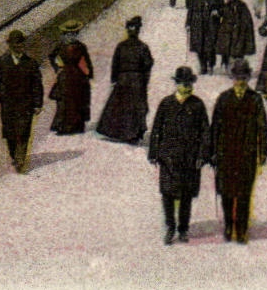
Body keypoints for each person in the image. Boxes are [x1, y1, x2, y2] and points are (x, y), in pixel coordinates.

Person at [210, 58, 267, 244]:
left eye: (244, 77)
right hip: (226, 154)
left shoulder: (255, 99)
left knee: (244, 193)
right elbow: (215, 129)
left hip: (247, 154)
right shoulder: (224, 99)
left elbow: (263, 127)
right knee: (227, 193)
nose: (240, 81)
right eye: (237, 77)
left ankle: (242, 229)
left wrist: (263, 152)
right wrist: (212, 152)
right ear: (232, 78)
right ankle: (229, 225)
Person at [148, 66, 209, 244]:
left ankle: (183, 228)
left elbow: (205, 131)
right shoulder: (166, 104)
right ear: (176, 84)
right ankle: (169, 226)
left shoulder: (197, 105)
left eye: (189, 84)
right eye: (183, 84)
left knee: (186, 195)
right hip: (168, 157)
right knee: (167, 193)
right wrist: (154, 152)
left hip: (190, 158)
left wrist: (202, 155)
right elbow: (156, 129)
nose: (187, 87)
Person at [0, 29, 44, 173]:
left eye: (20, 44)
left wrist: (38, 104)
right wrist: (0, 97)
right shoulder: (3, 63)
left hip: (26, 105)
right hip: (8, 106)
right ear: (10, 46)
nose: (18, 47)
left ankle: (20, 160)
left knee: (24, 132)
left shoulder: (31, 63)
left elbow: (37, 85)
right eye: (15, 45)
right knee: (10, 134)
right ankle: (15, 156)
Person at [97, 16, 154, 144]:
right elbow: (148, 64)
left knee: (122, 106)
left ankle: (121, 132)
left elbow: (115, 64)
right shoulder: (142, 47)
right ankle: (133, 133)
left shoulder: (121, 46)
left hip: (123, 79)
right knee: (134, 106)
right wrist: (144, 79)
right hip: (136, 80)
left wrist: (114, 79)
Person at [47, 19, 94, 135]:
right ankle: (63, 126)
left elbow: (87, 60)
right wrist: (57, 67)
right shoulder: (60, 46)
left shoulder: (81, 46)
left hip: (77, 75)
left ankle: (77, 125)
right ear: (65, 34)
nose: (72, 35)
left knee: (78, 99)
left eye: (74, 33)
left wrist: (89, 74)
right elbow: (51, 56)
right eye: (69, 33)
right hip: (66, 74)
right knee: (65, 100)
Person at [188, 0, 224, 75]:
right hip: (198, 25)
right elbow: (191, 10)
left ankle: (211, 65)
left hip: (212, 25)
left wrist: (218, 12)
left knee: (211, 46)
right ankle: (203, 66)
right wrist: (188, 24)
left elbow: (223, 9)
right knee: (199, 46)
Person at [216, 0, 256, 64]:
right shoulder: (227, 5)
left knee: (238, 51)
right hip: (227, 33)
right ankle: (228, 65)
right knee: (227, 50)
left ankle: (237, 67)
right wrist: (217, 13)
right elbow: (222, 12)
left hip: (238, 34)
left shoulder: (241, 6)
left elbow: (246, 20)